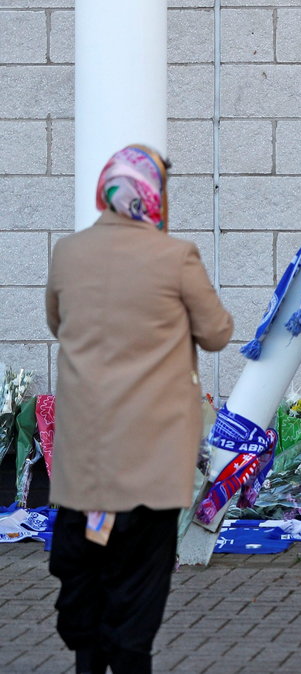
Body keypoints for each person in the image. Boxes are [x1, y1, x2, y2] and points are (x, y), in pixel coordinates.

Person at [45, 144, 233, 673]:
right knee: (138, 586)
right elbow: (218, 333)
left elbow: (58, 323)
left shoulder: (68, 252)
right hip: (150, 463)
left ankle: (88, 661)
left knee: (88, 571)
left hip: (88, 460)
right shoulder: (174, 257)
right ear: (151, 196)